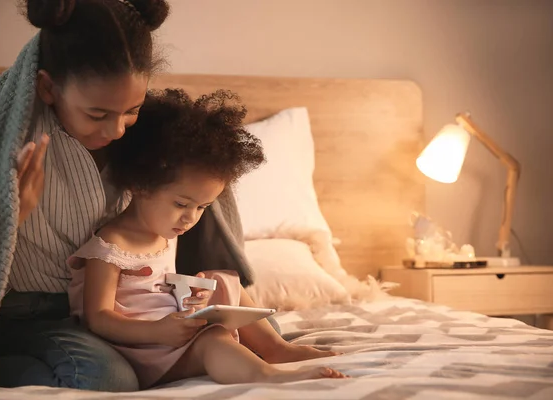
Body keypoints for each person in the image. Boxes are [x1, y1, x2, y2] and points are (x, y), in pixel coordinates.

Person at [67, 89, 348, 388]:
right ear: (141, 184)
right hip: (142, 348)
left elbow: (153, 291)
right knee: (213, 337)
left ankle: (276, 348)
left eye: (202, 207)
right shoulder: (110, 245)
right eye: (181, 204)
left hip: (169, 330)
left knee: (225, 282)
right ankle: (267, 376)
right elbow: (98, 318)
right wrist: (157, 332)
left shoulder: (164, 232)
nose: (190, 218)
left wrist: (188, 295)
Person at [0, 0, 171, 391]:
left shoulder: (146, 142)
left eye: (132, 110)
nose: (119, 128)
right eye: (97, 114)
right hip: (20, 316)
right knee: (106, 377)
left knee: (241, 332)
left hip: (109, 308)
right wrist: (11, 215)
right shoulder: (3, 141)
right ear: (47, 87)